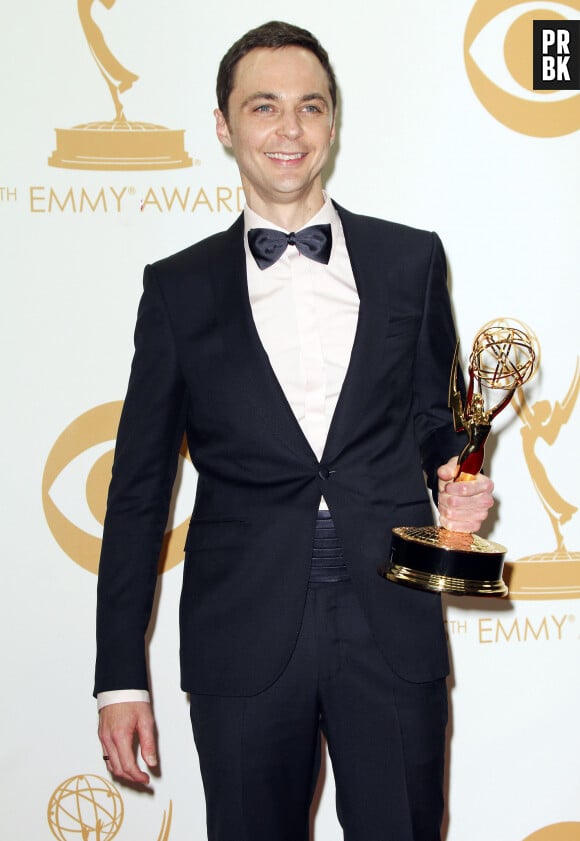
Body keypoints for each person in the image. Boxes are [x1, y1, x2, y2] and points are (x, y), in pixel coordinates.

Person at [95, 21, 494, 841]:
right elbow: (137, 493)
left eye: (309, 107)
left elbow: (434, 422)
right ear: (224, 125)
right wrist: (118, 679)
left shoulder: (410, 261)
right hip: (240, 631)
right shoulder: (176, 290)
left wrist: (461, 477)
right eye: (263, 107)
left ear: (333, 123)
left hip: (392, 616)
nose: (289, 130)